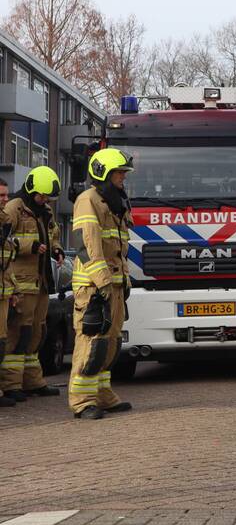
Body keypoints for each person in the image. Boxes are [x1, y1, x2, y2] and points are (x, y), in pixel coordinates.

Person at [67, 148, 135, 420]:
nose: (123, 178)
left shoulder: (113, 201)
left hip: (114, 285)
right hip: (94, 288)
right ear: (104, 173)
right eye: (119, 173)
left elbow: (119, 247)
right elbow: (88, 245)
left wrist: (123, 280)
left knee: (111, 342)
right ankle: (82, 401)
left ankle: (103, 394)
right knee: (92, 344)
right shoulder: (88, 200)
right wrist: (104, 282)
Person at [0, 167, 63, 401]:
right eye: (42, 196)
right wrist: (31, 247)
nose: (45, 200)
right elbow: (5, 239)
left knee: (38, 331)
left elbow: (54, 233)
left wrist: (56, 249)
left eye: (47, 197)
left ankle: (33, 381)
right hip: (22, 282)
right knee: (19, 332)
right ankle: (11, 384)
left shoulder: (44, 211)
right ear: (31, 189)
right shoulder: (14, 208)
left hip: (41, 282)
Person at [0, 179, 17, 408]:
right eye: (1, 196)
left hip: (3, 293)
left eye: (5, 195)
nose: (5, 200)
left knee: (2, 342)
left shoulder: (5, 222)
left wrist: (14, 290)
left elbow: (8, 263)